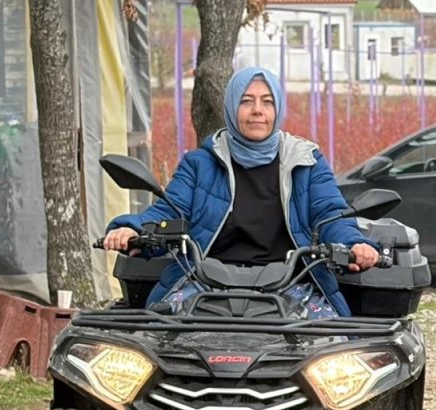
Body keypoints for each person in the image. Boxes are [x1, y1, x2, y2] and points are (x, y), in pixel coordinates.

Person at [102, 66, 380, 317]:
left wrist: (355, 244)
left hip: (294, 285)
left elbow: (330, 213)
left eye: (267, 102)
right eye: (247, 101)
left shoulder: (307, 161)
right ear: (232, 107)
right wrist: (133, 229)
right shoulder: (199, 164)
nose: (257, 110)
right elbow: (167, 211)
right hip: (203, 284)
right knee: (155, 343)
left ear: (278, 109)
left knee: (332, 348)